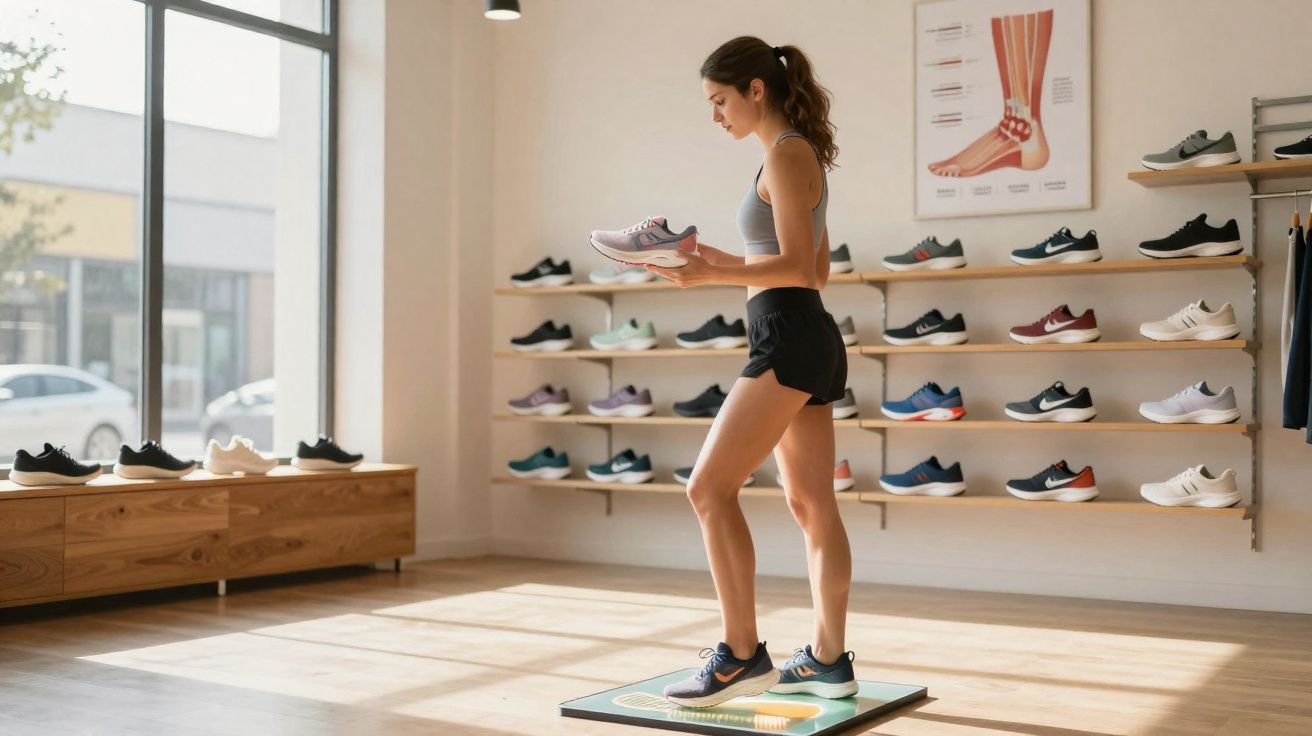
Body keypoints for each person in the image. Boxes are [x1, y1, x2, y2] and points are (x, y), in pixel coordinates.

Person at [647, 36, 857, 708]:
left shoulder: (787, 154)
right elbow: (814, 268)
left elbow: (800, 268)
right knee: (810, 505)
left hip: (790, 334)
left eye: (719, 101)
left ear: (755, 90)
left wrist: (717, 271)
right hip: (802, 331)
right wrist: (702, 257)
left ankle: (739, 655)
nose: (716, 115)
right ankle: (827, 661)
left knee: (707, 489)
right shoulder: (796, 154)